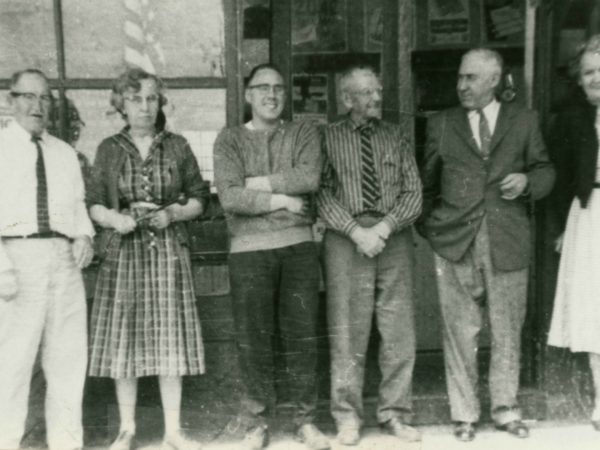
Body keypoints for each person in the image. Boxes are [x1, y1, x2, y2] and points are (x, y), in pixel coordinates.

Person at [419, 48, 555, 441]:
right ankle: (463, 414)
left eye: (471, 78)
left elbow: (545, 169)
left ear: (494, 79)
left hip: (507, 238)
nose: (461, 85)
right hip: (455, 241)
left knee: (507, 329)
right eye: (460, 78)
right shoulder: (442, 123)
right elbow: (426, 182)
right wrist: (434, 229)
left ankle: (506, 409)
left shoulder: (524, 121)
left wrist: (528, 182)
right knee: (459, 331)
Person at [87, 68, 208, 450]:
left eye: (152, 99)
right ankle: (127, 429)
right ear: (121, 104)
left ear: (160, 103)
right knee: (125, 338)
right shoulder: (109, 148)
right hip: (122, 253)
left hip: (168, 249)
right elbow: (91, 203)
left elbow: (200, 199)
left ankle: (173, 432)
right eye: (136, 99)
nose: (144, 106)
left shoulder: (177, 146)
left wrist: (173, 214)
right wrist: (114, 218)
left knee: (170, 336)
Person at [213, 63, 329, 450]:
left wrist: (256, 185)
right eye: (262, 87)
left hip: (297, 247)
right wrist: (281, 199)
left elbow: (309, 177)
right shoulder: (229, 140)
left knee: (302, 335)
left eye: (279, 88)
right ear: (248, 95)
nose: (272, 95)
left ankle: (305, 421)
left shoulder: (303, 132)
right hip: (248, 252)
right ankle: (255, 423)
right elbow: (230, 196)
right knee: (253, 338)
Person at [317, 65, 423, 446]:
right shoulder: (327, 137)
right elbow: (321, 194)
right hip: (346, 240)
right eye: (366, 93)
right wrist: (355, 231)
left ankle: (395, 413)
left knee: (399, 330)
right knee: (347, 331)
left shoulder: (395, 136)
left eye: (377, 91)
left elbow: (414, 192)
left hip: (392, 236)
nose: (376, 98)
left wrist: (383, 228)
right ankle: (347, 418)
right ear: (346, 99)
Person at [0, 68, 95, 450]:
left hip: (63, 261)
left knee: (68, 363)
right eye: (28, 97)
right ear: (10, 100)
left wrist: (85, 235)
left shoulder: (64, 153)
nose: (36, 106)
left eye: (44, 98)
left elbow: (77, 207)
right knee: (12, 365)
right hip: (16, 260)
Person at [547, 34, 600, 431]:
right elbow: (559, 177)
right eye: (589, 72)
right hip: (589, 214)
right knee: (592, 309)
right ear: (578, 79)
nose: (596, 78)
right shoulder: (572, 117)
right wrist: (560, 228)